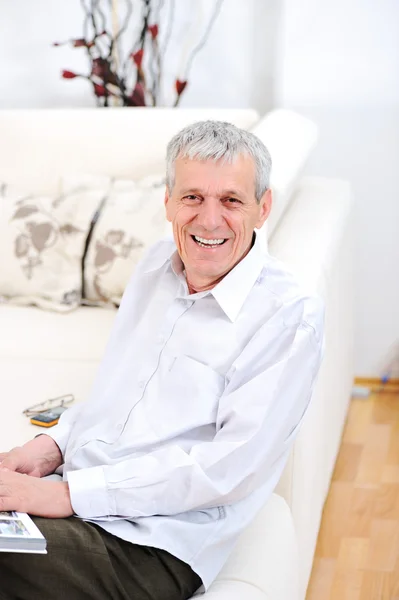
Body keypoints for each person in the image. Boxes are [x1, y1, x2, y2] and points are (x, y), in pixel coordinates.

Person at [0, 121, 324, 600]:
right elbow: (114, 395)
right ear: (168, 200)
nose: (209, 220)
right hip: (81, 490)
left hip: (151, 543)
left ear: (263, 208)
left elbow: (225, 470)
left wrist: (67, 495)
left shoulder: (288, 317)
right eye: (192, 197)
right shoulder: (155, 265)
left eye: (231, 200)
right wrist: (49, 448)